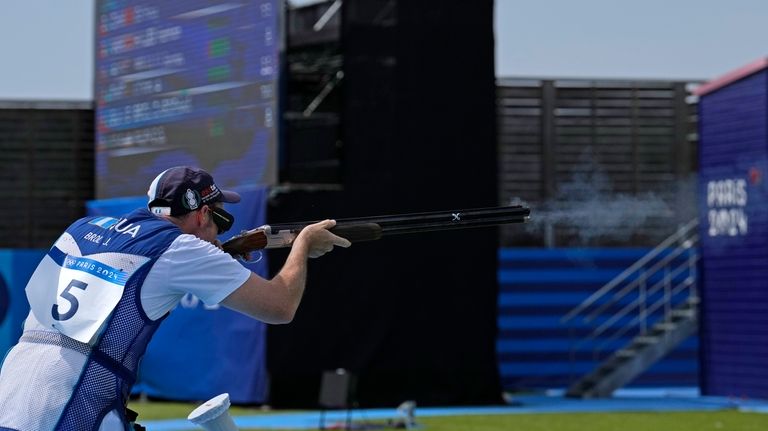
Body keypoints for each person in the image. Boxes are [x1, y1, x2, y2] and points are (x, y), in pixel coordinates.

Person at [0, 166, 351, 431]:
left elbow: (128, 273)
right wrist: (302, 246)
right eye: (220, 221)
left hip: (10, 390)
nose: (219, 232)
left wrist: (217, 258)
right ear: (201, 214)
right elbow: (280, 306)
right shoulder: (178, 248)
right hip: (70, 404)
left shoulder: (81, 228)